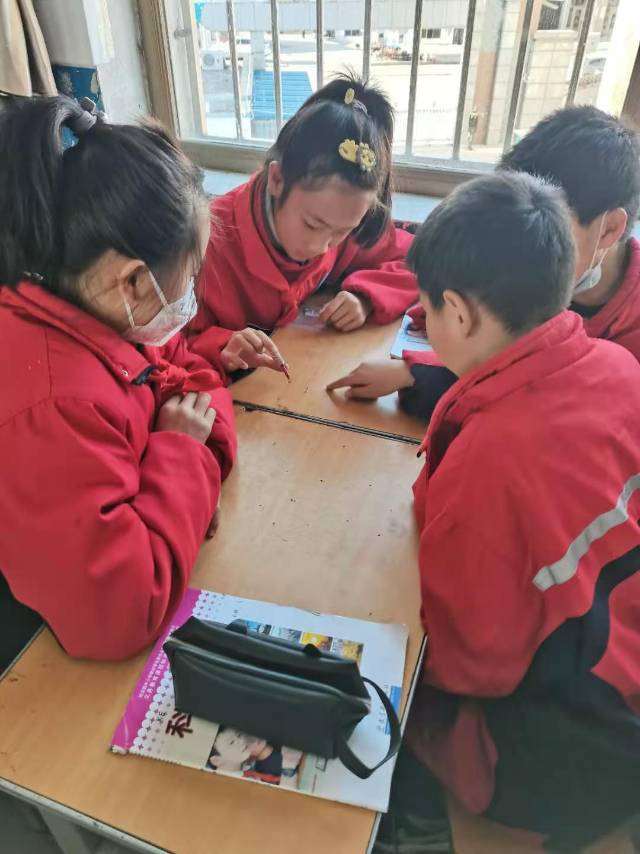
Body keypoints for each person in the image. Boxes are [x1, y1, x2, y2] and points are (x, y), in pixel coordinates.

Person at [376, 172, 640, 852]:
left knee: (399, 693)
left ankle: (415, 826)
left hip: (585, 747)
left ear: (458, 315)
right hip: (624, 674)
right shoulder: (618, 366)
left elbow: (474, 663)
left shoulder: (488, 458)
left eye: (427, 310)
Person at [0, 95, 236, 662]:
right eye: (188, 278)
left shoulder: (98, 313)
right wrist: (182, 456)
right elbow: (120, 616)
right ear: (130, 281)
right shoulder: (53, 404)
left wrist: (191, 456)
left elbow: (193, 378)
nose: (189, 298)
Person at [329, 106, 640, 419]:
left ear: (609, 229)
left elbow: (538, 394)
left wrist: (419, 374)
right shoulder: (533, 272)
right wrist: (414, 370)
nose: (523, 243)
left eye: (551, 225)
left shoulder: (625, 340)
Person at [187, 73, 417, 379]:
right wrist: (222, 346)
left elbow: (421, 261)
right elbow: (169, 343)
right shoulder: (207, 243)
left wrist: (366, 297)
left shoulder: (339, 212)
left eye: (342, 232)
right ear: (277, 180)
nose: (321, 247)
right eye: (312, 224)